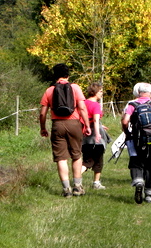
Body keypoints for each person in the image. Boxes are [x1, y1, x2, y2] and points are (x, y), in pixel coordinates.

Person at [39, 64, 90, 197]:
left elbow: (42, 113)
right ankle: (77, 187)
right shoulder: (75, 87)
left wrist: (43, 128)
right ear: (68, 75)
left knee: (61, 158)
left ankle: (66, 189)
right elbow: (82, 108)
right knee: (77, 155)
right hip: (74, 123)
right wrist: (87, 125)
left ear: (55, 75)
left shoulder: (49, 90)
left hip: (57, 125)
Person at [121, 82, 151, 204]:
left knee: (136, 160)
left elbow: (125, 121)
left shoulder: (132, 105)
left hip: (138, 139)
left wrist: (127, 133)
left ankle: (138, 179)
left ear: (139, 92)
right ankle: (149, 194)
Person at [81, 82, 110, 190]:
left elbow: (88, 119)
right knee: (96, 160)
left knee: (88, 159)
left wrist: (102, 126)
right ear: (95, 92)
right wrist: (98, 134)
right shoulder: (96, 105)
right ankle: (94, 182)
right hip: (94, 136)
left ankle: (78, 179)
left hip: (84, 135)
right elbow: (96, 120)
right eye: (101, 91)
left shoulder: (83, 103)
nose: (102, 93)